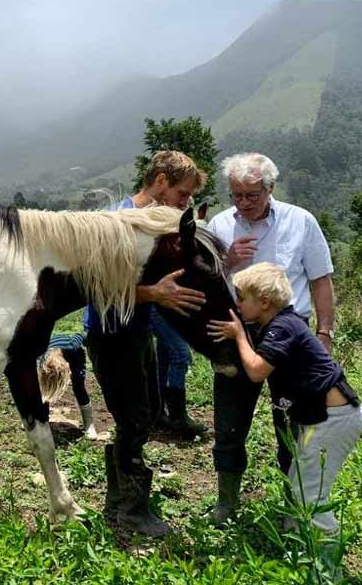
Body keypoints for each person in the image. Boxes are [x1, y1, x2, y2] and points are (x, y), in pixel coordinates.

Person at [204, 152, 336, 524]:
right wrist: (227, 261)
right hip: (236, 331)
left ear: (270, 188)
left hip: (290, 332)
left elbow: (321, 280)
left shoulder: (300, 221)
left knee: (293, 424)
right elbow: (206, 281)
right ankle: (227, 502)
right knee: (229, 420)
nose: (244, 203)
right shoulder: (219, 224)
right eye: (236, 195)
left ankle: (294, 506)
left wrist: (324, 332)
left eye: (252, 195)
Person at [85, 150, 208, 536]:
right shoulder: (115, 222)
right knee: (134, 419)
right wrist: (154, 294)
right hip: (110, 334)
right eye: (182, 194)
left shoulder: (157, 225)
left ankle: (119, 499)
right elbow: (98, 290)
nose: (184, 203)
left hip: (138, 330)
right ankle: (131, 512)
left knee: (148, 412)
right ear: (160, 182)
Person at [206, 262, 362, 540]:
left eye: (241, 298)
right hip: (323, 416)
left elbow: (256, 371)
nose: (237, 304)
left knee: (309, 493)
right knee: (299, 479)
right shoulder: (281, 323)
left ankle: (326, 553)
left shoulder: (283, 328)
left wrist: (239, 335)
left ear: (264, 302)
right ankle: (298, 540)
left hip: (332, 419)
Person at [37, 331, 98, 439]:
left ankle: (89, 425)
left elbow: (84, 335)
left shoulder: (73, 345)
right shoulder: (41, 359)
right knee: (43, 390)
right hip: (49, 353)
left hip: (75, 357)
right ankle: (42, 421)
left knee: (79, 386)